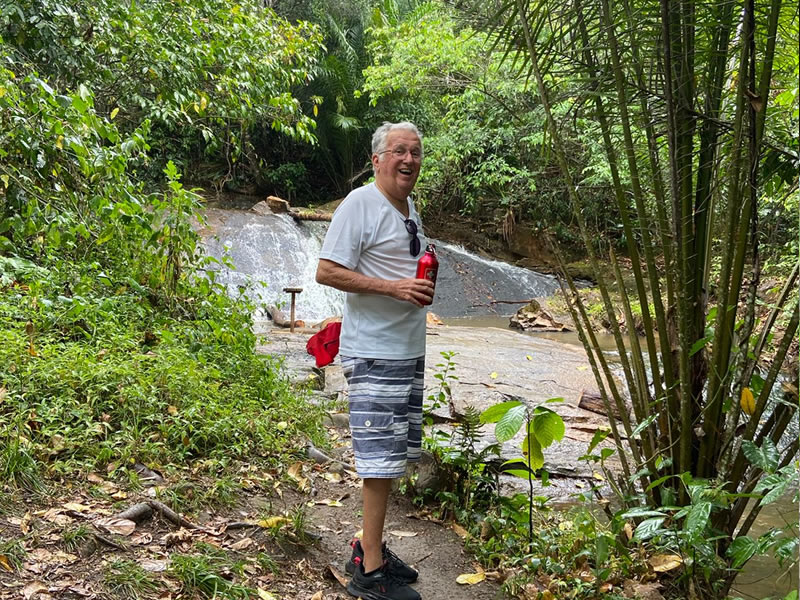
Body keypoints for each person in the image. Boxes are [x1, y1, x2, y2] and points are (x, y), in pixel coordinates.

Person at [316, 121, 433, 600]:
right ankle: (368, 573)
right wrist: (393, 287)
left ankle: (369, 546)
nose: (409, 159)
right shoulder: (360, 203)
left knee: (394, 456)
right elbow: (325, 270)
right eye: (399, 151)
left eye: (416, 152)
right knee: (379, 462)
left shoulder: (409, 209)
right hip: (375, 350)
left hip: (406, 349)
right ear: (377, 159)